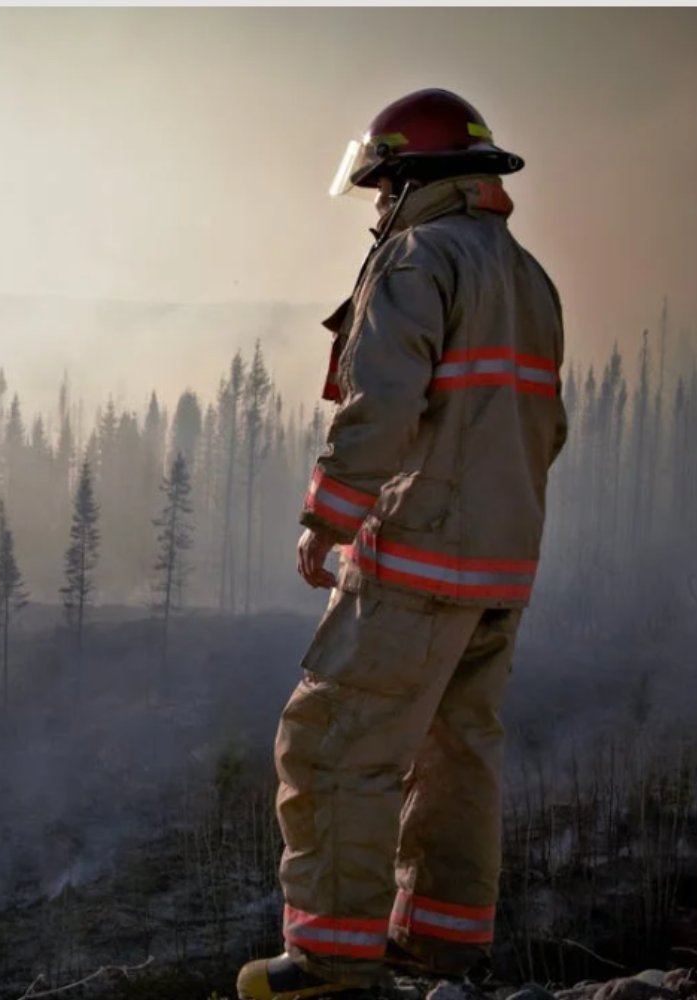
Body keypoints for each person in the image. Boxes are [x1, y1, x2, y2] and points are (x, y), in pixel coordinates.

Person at [236, 88, 569, 1000]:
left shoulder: (418, 259)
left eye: (383, 187)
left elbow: (382, 406)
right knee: (457, 753)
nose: (377, 207)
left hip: (420, 559)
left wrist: (327, 520)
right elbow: (548, 428)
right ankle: (441, 948)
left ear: (415, 178)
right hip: (502, 569)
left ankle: (333, 964)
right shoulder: (527, 275)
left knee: (332, 742)